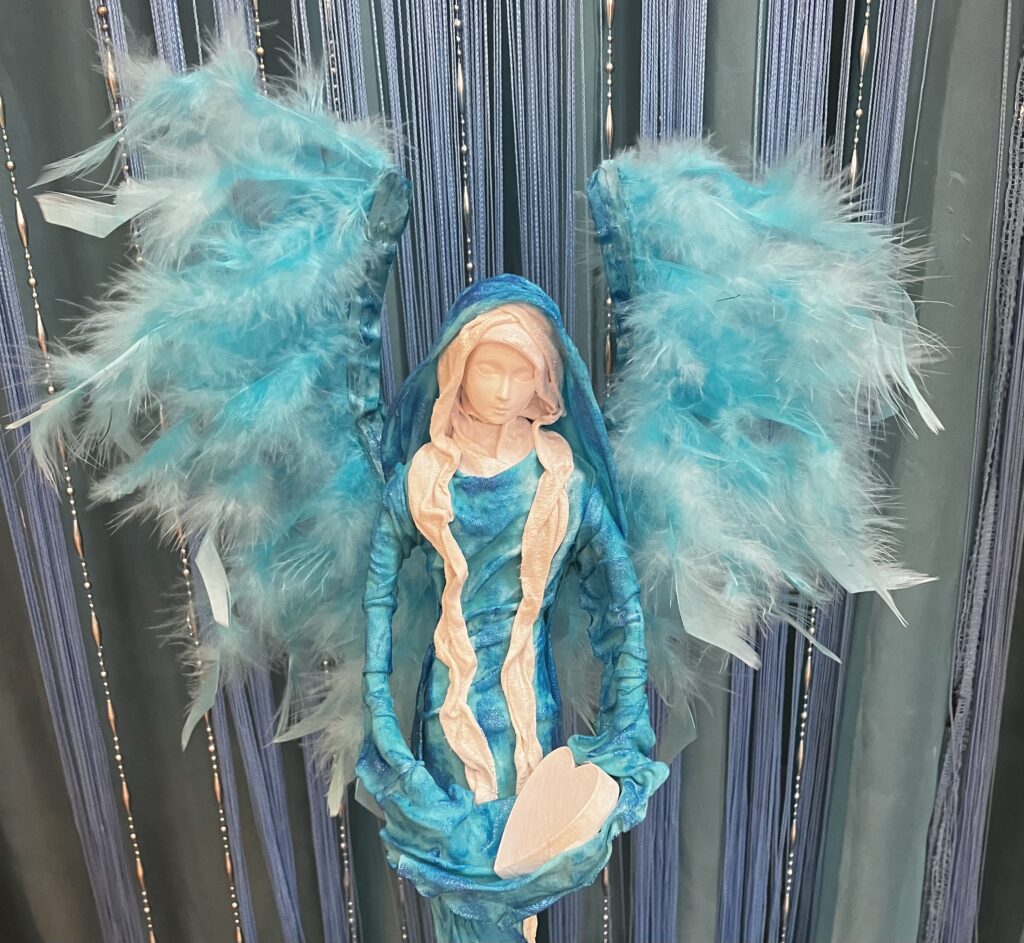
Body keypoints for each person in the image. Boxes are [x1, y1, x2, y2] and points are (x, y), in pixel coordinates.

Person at [356, 275, 669, 942]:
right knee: (463, 888)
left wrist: (625, 720)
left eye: (520, 371)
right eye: (488, 368)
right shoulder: (422, 482)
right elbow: (376, 603)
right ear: (457, 366)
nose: (503, 389)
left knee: (525, 869)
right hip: (447, 718)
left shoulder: (565, 485)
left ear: (544, 381)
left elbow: (623, 605)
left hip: (534, 712)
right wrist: (384, 728)